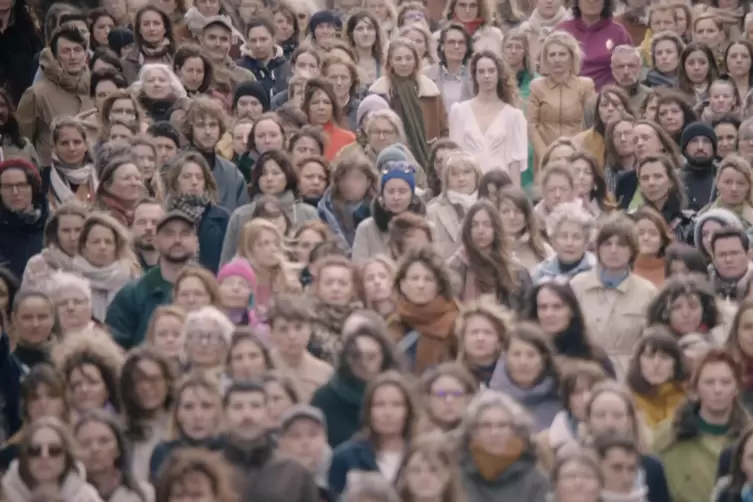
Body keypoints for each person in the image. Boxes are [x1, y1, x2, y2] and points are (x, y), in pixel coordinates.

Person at [106, 211, 199, 349]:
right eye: (169, 234)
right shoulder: (132, 294)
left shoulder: (211, 291)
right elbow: (114, 349)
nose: (177, 240)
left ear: (196, 242)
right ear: (156, 242)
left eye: (185, 233)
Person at [220, 380, 318, 502]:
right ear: (224, 415)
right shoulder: (211, 470)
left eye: (255, 406)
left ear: (268, 413)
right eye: (237, 407)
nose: (247, 415)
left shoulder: (293, 472)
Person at [16, 25, 94, 166]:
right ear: (55, 57)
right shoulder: (37, 94)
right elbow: (21, 143)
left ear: (86, 55)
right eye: (65, 51)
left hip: (93, 175)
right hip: (50, 176)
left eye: (77, 50)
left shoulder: (97, 89)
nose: (73, 57)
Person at [449, 50, 527, 181]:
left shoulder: (513, 116)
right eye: (481, 71)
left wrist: (514, 198)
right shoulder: (459, 111)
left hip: (501, 185)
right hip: (469, 185)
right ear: (475, 76)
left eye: (491, 71)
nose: (486, 76)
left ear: (499, 74)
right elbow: (454, 157)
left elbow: (515, 164)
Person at [556, 0, 632, 90]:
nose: (591, 1)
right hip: (568, 94)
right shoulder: (562, 30)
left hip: (606, 97)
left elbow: (631, 65)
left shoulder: (618, 31)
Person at [0, 158, 49, 280]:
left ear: (33, 187)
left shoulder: (52, 224)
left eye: (21, 185)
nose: (15, 192)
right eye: (7, 186)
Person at [681, 122, 719, 212]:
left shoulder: (724, 177)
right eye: (694, 141)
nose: (700, 147)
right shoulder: (673, 180)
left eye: (706, 141)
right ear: (685, 148)